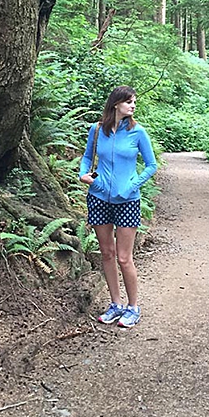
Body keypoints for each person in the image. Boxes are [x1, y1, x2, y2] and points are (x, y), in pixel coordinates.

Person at [78, 85, 157, 329]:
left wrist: (132, 185)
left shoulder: (137, 132)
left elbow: (151, 166)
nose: (133, 106)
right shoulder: (98, 129)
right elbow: (87, 158)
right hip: (99, 197)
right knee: (107, 253)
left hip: (127, 200)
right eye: (128, 101)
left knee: (124, 257)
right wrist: (84, 175)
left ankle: (133, 307)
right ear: (116, 104)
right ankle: (115, 304)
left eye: (134, 102)